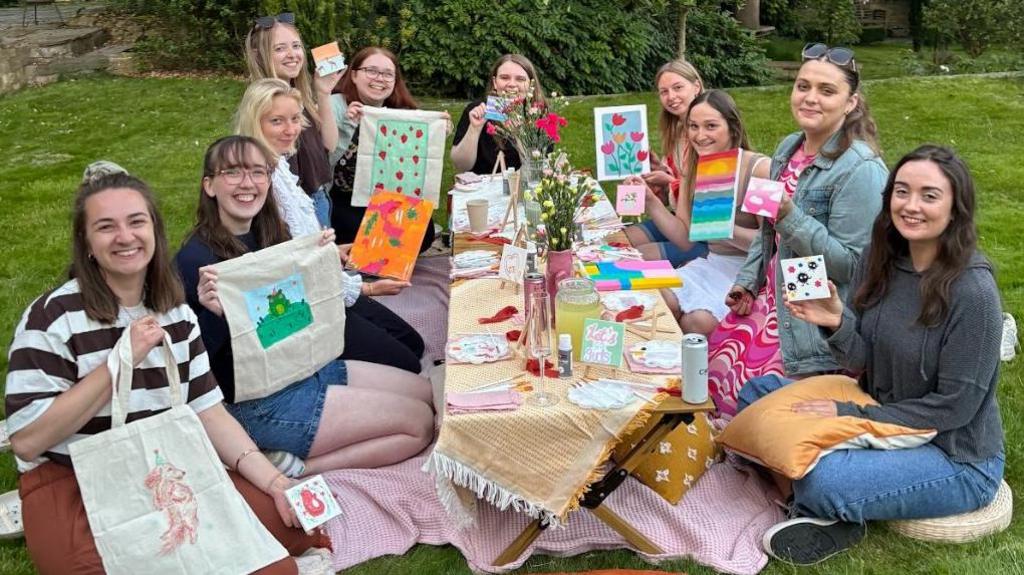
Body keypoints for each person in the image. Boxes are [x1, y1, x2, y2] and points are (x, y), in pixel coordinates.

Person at [5, 170, 329, 574]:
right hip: (73, 477)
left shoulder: (174, 312)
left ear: (155, 231)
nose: (125, 237)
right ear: (87, 243)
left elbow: (208, 411)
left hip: (156, 461)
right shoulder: (53, 318)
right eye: (106, 227)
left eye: (136, 222)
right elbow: (28, 441)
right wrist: (118, 364)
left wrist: (273, 483)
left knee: (295, 532)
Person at [743, 145, 1005, 566]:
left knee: (825, 479)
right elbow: (864, 359)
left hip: (952, 454)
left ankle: (822, 500)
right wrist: (833, 320)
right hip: (881, 409)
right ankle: (817, 497)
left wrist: (844, 413)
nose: (911, 205)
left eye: (929, 195)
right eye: (901, 192)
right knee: (756, 393)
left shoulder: (972, 293)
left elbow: (954, 408)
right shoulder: (879, 259)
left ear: (956, 208)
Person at [175, 136, 435, 479]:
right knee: (419, 426)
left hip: (305, 365)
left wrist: (321, 260)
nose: (248, 183)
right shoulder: (196, 262)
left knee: (429, 394)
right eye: (233, 173)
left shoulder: (271, 234)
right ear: (209, 185)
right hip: (259, 400)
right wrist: (212, 314)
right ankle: (294, 466)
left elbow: (300, 308)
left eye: (257, 172)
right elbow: (190, 368)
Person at [708, 44, 889, 413]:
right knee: (710, 377)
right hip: (773, 299)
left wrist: (791, 215)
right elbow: (766, 232)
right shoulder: (789, 148)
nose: (810, 98)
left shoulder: (861, 170)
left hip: (813, 321)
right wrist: (749, 280)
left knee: (756, 408)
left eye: (826, 90)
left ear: (850, 102)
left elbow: (853, 267)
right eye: (803, 86)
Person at [625, 90, 770, 335]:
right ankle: (657, 369)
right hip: (711, 264)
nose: (700, 135)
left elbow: (772, 244)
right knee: (658, 301)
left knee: (697, 322)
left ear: (733, 128)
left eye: (711, 126)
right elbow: (683, 237)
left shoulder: (760, 168)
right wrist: (651, 201)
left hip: (749, 274)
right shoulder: (696, 168)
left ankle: (698, 372)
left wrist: (721, 227)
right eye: (693, 126)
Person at [328, 46, 438, 249]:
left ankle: (379, 251)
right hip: (345, 198)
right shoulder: (335, 106)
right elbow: (321, 163)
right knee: (359, 233)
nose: (380, 78)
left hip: (388, 198)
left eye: (388, 74)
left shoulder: (400, 113)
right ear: (353, 75)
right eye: (371, 71)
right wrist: (346, 127)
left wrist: (438, 128)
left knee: (425, 232)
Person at [244, 12, 341, 227]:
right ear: (259, 55)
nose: (292, 54)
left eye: (296, 46)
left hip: (318, 197)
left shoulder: (298, 96)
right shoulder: (265, 101)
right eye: (279, 49)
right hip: (291, 206)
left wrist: (323, 93)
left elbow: (330, 144)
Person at [623, 59, 711, 267]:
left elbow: (704, 192)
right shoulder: (675, 131)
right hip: (677, 220)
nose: (671, 97)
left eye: (678, 87)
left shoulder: (707, 136)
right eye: (664, 91)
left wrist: (670, 181)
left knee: (633, 258)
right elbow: (671, 196)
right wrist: (660, 173)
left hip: (705, 234)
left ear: (696, 86)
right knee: (619, 243)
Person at [450, 53, 546, 175]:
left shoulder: (539, 115)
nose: (512, 84)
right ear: (495, 82)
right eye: (504, 77)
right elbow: (461, 165)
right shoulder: (476, 111)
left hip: (523, 188)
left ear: (530, 85)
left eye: (520, 79)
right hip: (481, 190)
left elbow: (537, 171)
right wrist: (474, 129)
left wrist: (520, 136)